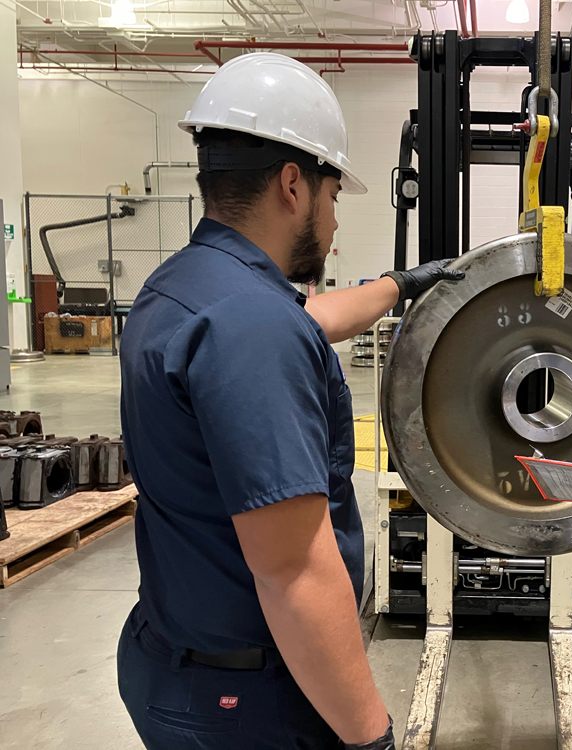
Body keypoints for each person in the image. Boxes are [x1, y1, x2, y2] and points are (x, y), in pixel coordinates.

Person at [116, 53, 463, 750]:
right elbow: (292, 569)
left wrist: (401, 285)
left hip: (178, 658)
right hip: (246, 705)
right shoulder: (253, 327)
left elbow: (307, 318)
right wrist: (371, 737)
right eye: (334, 198)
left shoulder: (184, 286)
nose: (333, 225)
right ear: (294, 185)